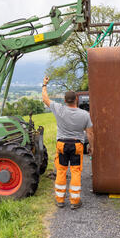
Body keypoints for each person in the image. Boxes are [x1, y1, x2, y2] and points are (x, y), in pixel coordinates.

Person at [41, 76, 94, 209]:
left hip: (62, 145)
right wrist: (91, 147)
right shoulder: (84, 115)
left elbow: (45, 99)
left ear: (65, 100)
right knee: (76, 171)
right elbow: (90, 133)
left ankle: (60, 200)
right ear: (76, 99)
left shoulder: (59, 109)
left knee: (61, 171)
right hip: (77, 145)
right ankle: (75, 202)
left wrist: (44, 84)